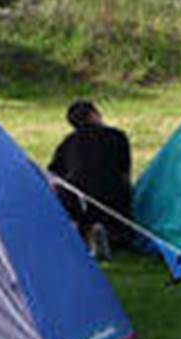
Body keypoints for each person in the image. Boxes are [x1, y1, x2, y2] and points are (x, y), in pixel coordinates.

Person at [48, 100, 133, 261]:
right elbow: (125, 171)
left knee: (72, 196)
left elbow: (53, 173)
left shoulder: (69, 142)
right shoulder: (118, 136)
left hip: (80, 201)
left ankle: (86, 233)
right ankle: (112, 236)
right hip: (112, 199)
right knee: (117, 199)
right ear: (94, 115)